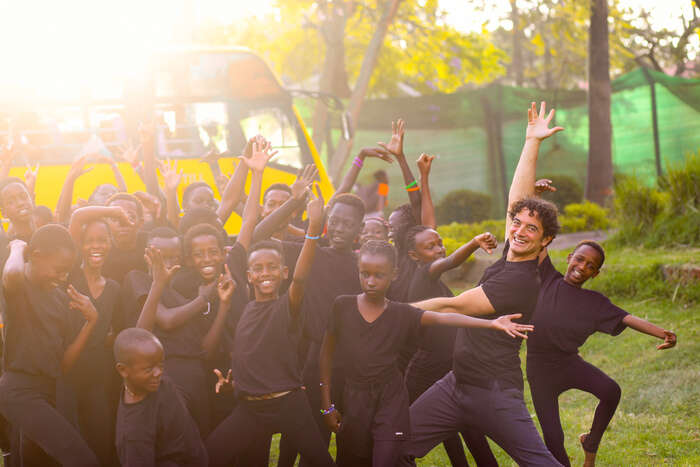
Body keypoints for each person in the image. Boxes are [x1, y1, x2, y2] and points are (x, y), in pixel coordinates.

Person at [398, 101, 565, 466]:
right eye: (517, 224)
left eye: (530, 229)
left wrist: (395, 312)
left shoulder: (521, 281)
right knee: (397, 447)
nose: (518, 231)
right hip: (455, 385)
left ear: (545, 243)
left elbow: (453, 305)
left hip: (494, 393)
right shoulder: (514, 253)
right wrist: (531, 141)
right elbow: (517, 200)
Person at [319, 240, 532, 467]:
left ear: (394, 274)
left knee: (386, 460)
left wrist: (491, 324)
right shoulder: (342, 306)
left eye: (379, 275)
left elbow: (444, 316)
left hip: (390, 402)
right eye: (365, 274)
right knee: (352, 459)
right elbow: (325, 356)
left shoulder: (401, 313)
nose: (370, 282)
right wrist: (327, 405)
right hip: (355, 400)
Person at [204, 189, 335, 467]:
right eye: (259, 269)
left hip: (289, 405)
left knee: (321, 461)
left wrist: (313, 227)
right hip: (251, 408)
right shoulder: (246, 308)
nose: (266, 273)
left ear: (283, 272)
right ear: (249, 276)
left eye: (273, 267)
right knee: (211, 454)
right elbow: (250, 352)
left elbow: (300, 279)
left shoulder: (287, 305)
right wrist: (234, 382)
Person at [528, 240, 677, 467]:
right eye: (579, 259)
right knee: (553, 438)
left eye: (590, 265)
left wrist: (663, 334)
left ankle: (590, 444)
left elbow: (627, 318)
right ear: (569, 258)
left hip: (568, 364)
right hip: (539, 372)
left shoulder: (594, 303)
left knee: (610, 391)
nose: (582, 266)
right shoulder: (548, 278)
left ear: (595, 274)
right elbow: (538, 239)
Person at [0, 224, 100, 466]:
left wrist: (91, 321)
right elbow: (12, 274)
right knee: (82, 460)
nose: (63, 277)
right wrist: (18, 246)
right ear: (35, 256)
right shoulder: (20, 288)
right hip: (19, 392)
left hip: (48, 391)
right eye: (58, 270)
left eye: (68, 272)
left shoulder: (59, 300)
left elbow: (62, 365)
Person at [66, 207, 129, 465]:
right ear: (79, 245)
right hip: (65, 376)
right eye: (90, 240)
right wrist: (116, 212)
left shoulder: (114, 288)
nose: (96, 246)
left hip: (98, 379)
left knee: (100, 442)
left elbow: (118, 331)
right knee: (69, 445)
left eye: (102, 240)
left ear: (110, 244)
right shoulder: (69, 275)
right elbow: (77, 217)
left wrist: (109, 337)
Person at [113, 328, 207, 466]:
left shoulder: (156, 382)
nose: (158, 373)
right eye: (148, 369)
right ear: (123, 370)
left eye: (161, 365)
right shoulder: (133, 435)